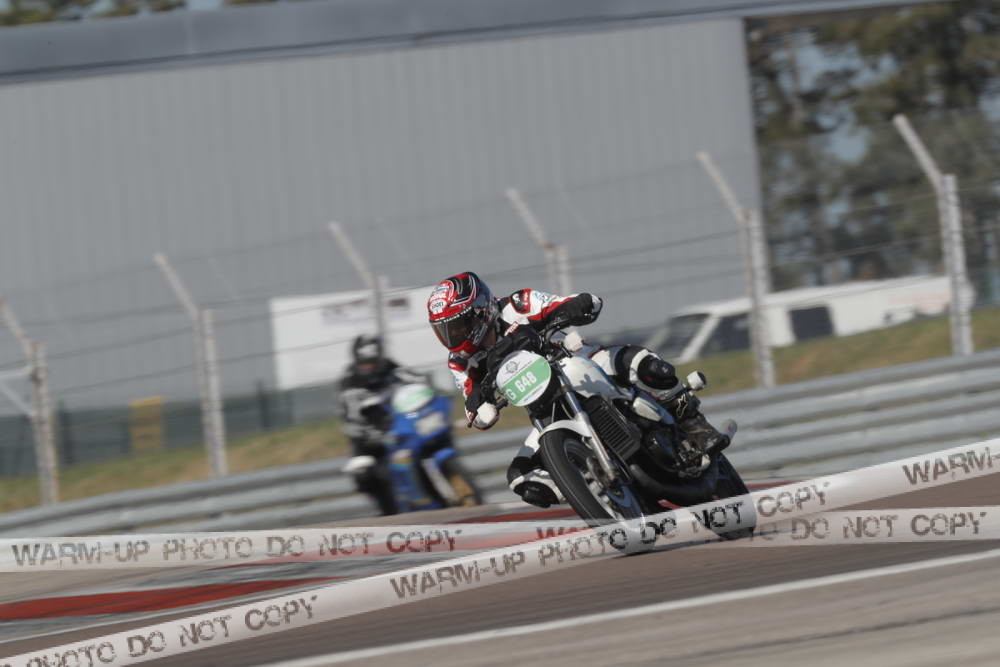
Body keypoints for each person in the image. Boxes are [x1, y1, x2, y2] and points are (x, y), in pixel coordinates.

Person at [426, 271, 730, 509]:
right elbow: (472, 404)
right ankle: (598, 492)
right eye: (444, 330)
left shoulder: (518, 305)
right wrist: (481, 407)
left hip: (579, 363)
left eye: (457, 326)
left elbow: (573, 302)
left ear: (480, 311)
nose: (453, 336)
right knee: (521, 478)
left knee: (645, 364)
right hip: (544, 408)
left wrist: (575, 307)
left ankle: (693, 424)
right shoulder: (459, 361)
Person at [338, 334, 423, 515]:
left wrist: (427, 388)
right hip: (366, 439)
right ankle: (388, 511)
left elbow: (416, 380)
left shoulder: (391, 367)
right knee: (364, 473)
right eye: (364, 363)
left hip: (398, 426)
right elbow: (351, 418)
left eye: (372, 362)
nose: (368, 366)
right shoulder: (349, 380)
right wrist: (371, 433)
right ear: (357, 359)